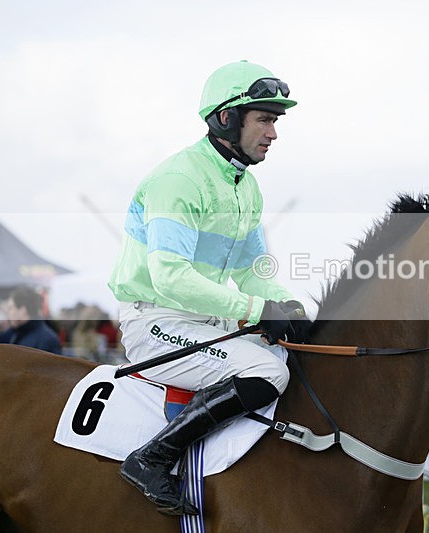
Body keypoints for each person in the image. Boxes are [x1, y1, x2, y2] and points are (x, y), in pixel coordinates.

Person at [108, 60, 310, 516]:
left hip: (207, 322)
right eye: (264, 119)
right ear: (227, 118)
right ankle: (150, 459)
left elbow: (253, 270)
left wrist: (285, 304)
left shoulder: (247, 187)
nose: (273, 133)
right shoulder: (179, 179)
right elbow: (170, 276)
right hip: (155, 321)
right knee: (269, 374)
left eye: (274, 121)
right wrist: (258, 308)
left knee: (298, 356)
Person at [0, 286, 62, 354]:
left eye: (11, 308)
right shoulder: (17, 332)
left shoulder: (46, 340)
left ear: (22, 310)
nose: (8, 312)